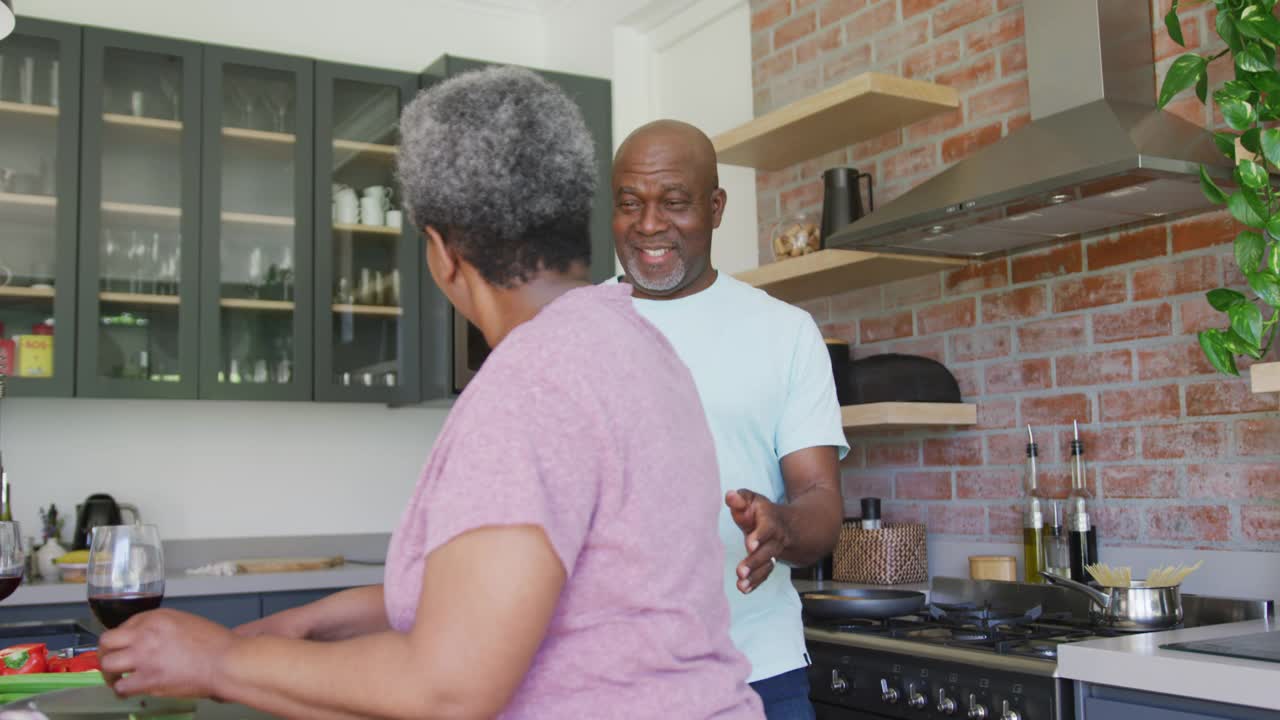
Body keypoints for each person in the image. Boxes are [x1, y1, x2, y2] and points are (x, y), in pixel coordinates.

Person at [97, 69, 763, 720]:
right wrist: (319, 619)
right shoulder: (634, 344)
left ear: (440, 251)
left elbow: (448, 688)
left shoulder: (528, 385)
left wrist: (219, 662)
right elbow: (551, 590)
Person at [610, 119, 848, 719]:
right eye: (630, 204)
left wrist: (781, 526)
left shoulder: (784, 333)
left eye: (674, 203)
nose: (649, 225)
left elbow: (820, 500)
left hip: (755, 672)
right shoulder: (572, 331)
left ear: (715, 208)